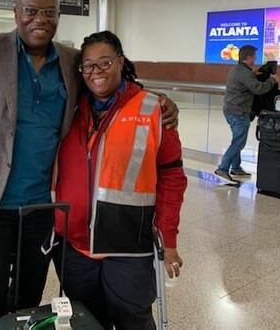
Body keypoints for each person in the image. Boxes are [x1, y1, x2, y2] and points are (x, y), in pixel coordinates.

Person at [0, 0, 179, 329]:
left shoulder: (70, 61)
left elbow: (108, 84)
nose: (40, 19)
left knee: (28, 298)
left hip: (42, 210)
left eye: (49, 12)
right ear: (16, 14)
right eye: (31, 11)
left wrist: (157, 101)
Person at [52, 31, 187, 329]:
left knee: (132, 320)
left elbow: (172, 178)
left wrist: (168, 239)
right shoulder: (70, 109)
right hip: (74, 248)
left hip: (129, 248)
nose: (96, 72)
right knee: (87, 322)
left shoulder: (153, 110)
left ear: (120, 62)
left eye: (104, 63)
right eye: (88, 66)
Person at [215, 45, 278, 183]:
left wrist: (252, 75)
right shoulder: (244, 73)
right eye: (254, 56)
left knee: (237, 140)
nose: (255, 59)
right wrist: (273, 80)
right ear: (249, 57)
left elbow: (245, 81)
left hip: (231, 110)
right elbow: (258, 89)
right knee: (239, 142)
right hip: (239, 112)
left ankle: (236, 168)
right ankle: (223, 168)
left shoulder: (237, 69)